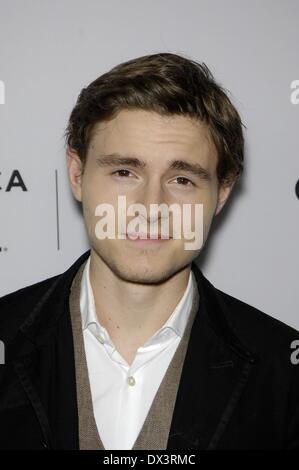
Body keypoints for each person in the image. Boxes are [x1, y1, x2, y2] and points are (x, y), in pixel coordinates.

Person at [0, 52, 298, 450]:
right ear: (77, 175)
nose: (150, 207)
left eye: (182, 179)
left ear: (221, 194)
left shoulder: (284, 373)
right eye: (125, 172)